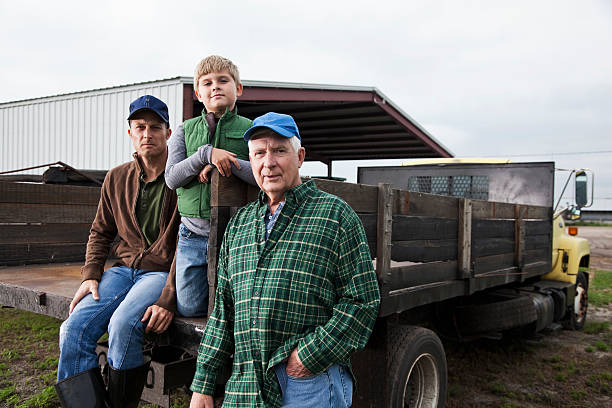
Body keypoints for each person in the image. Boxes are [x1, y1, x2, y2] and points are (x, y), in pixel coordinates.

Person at [189, 112, 381, 407]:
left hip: (307, 382)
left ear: (300, 156)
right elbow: (223, 311)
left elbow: (362, 301)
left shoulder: (335, 215)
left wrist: (308, 356)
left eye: (279, 150)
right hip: (245, 388)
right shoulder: (240, 224)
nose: (268, 163)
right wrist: (203, 384)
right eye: (259, 153)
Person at [55, 95, 181, 408]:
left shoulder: (182, 176)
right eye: (140, 127)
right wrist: (91, 274)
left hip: (160, 272)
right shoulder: (116, 177)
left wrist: (169, 293)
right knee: (72, 329)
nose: (147, 133)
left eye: (155, 126)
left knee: (123, 325)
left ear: (168, 132)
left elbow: (190, 240)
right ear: (130, 133)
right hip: (123, 271)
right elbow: (101, 231)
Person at [165, 55, 255, 317]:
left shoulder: (252, 129)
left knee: (234, 305)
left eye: (223, 80)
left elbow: (261, 175)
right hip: (192, 234)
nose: (215, 86)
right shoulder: (184, 130)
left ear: (237, 88)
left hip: (237, 235)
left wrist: (224, 162)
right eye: (207, 83)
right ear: (198, 93)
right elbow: (172, 178)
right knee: (190, 307)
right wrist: (205, 155)